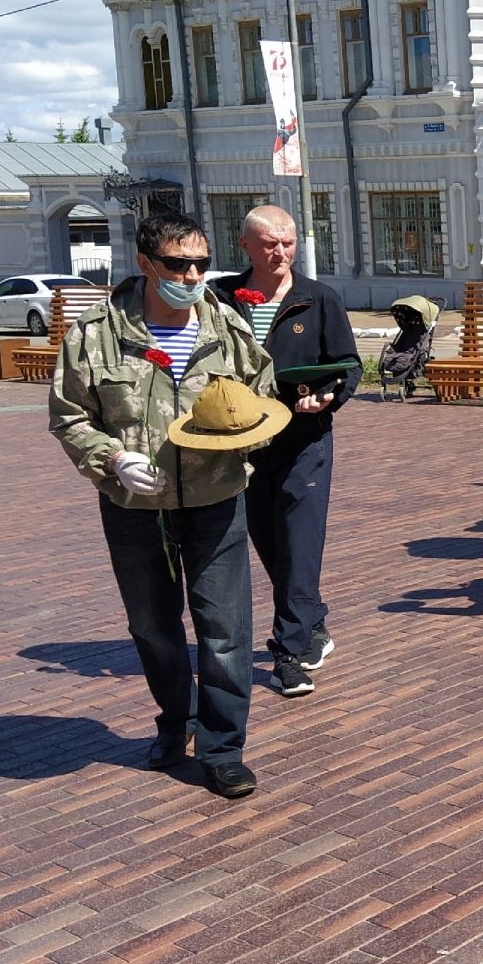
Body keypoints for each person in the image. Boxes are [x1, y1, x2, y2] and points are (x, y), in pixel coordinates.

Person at [50, 211, 280, 799]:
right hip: (133, 505)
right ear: (146, 264)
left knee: (225, 630)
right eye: (179, 264)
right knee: (152, 626)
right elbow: (70, 416)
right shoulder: (97, 334)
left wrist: (247, 435)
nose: (194, 274)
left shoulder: (226, 325)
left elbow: (263, 396)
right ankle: (174, 723)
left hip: (215, 498)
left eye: (202, 262)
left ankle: (223, 748)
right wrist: (111, 459)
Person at [211, 205, 362, 697]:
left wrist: (329, 396)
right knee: (270, 542)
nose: (280, 252)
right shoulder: (221, 298)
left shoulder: (317, 298)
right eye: (270, 243)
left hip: (304, 440)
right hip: (244, 443)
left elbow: (348, 364)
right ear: (246, 246)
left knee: (300, 543)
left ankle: (288, 654)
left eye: (289, 243)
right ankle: (311, 619)